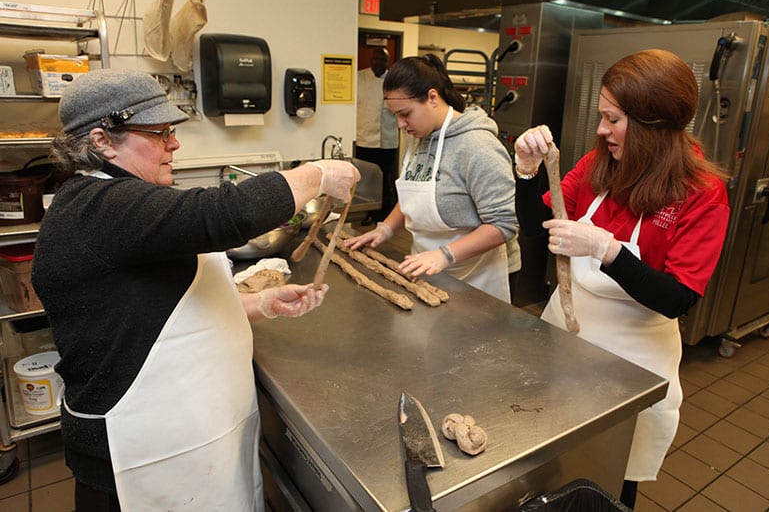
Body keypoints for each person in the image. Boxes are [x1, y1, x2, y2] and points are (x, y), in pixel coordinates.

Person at [30, 69, 360, 511]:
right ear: (102, 141)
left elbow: (153, 311)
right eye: (159, 132)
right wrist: (317, 174)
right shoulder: (99, 206)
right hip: (140, 456)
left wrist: (258, 304)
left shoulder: (117, 201)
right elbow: (225, 214)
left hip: (189, 440)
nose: (174, 143)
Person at [514, 49, 730, 509]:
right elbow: (535, 225)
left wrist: (605, 249)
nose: (600, 129)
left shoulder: (701, 193)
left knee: (611, 474)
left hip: (633, 360)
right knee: (549, 460)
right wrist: (526, 170)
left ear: (651, 123)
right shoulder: (599, 165)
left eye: (612, 119)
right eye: (601, 116)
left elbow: (677, 298)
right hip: (564, 338)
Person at [345, 54, 518, 303]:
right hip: (427, 268)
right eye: (395, 115)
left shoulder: (478, 147)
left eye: (405, 114)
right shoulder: (419, 137)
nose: (400, 124)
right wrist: (385, 229)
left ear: (432, 98)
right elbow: (413, 193)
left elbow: (503, 225)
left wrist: (445, 255)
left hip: (476, 276)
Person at [356, 47, 399, 224]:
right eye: (376, 59)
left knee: (385, 179)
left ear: (387, 62)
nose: (378, 63)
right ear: (371, 60)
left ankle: (383, 215)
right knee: (364, 180)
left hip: (386, 140)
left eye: (382, 60)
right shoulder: (359, 78)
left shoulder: (393, 81)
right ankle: (367, 213)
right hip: (363, 139)